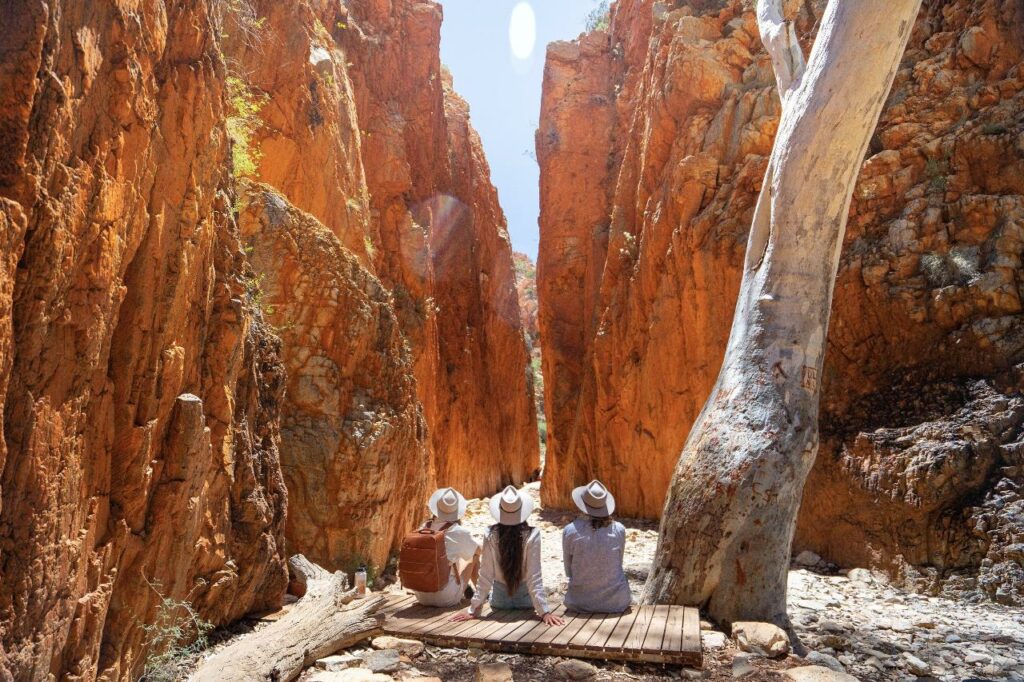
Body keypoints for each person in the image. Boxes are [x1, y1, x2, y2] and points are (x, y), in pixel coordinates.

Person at [451, 486, 564, 626]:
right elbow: (534, 576)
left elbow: (485, 575)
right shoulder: (532, 535)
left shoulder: (490, 534)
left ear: (500, 511)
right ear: (522, 511)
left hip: (500, 602)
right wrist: (544, 612)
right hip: (526, 602)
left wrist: (473, 609)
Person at [562, 479, 631, 613]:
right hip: (616, 602)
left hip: (579, 602)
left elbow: (568, 570)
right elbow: (618, 562)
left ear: (582, 504)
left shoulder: (570, 530)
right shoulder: (619, 529)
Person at [410, 487, 481, 607]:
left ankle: (462, 586)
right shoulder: (458, 531)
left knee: (453, 556)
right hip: (445, 598)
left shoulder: (423, 527)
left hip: (421, 595)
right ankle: (481, 594)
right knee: (473, 555)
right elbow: (478, 550)